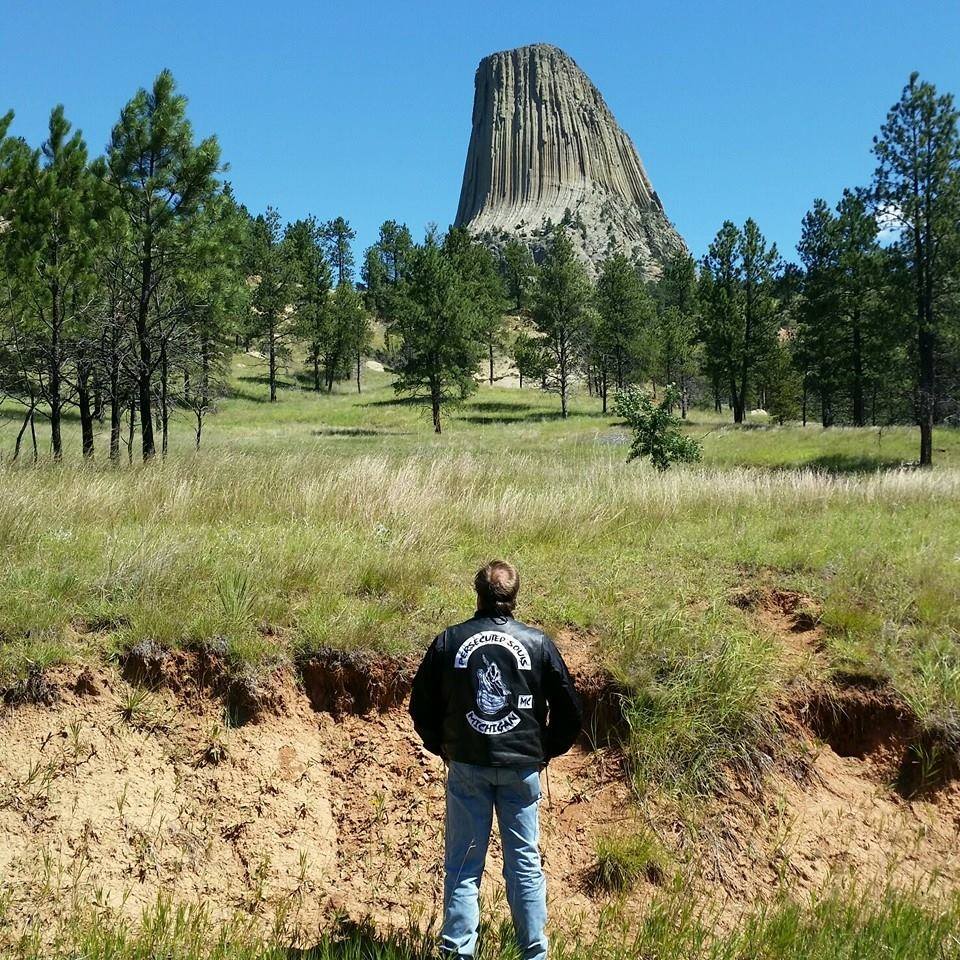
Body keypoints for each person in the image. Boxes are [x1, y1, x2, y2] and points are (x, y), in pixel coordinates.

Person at [409, 560, 582, 960]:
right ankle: (534, 953)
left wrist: (444, 747)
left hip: (468, 767)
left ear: (478, 595)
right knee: (524, 865)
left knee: (463, 866)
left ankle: (458, 953)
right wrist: (543, 750)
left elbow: (420, 705)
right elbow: (571, 710)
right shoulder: (537, 643)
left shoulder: (450, 641)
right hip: (521, 769)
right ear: (514, 597)